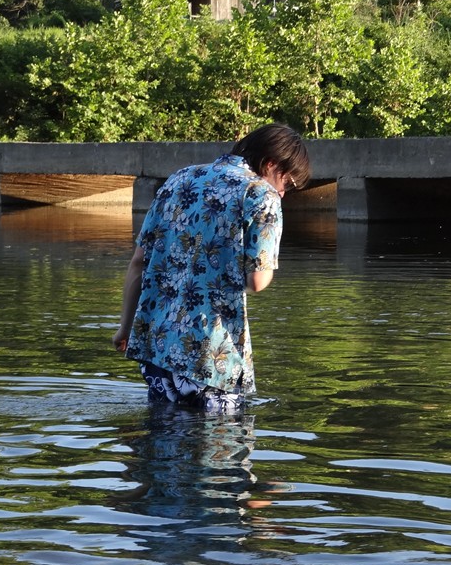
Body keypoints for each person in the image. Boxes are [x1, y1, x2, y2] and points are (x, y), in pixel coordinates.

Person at [112, 124, 311, 413]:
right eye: (287, 183)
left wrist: (124, 328)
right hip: (211, 356)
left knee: (161, 432)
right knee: (221, 438)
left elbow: (138, 262)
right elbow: (257, 281)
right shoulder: (261, 194)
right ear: (270, 164)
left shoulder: (179, 179)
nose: (282, 193)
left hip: (157, 347)